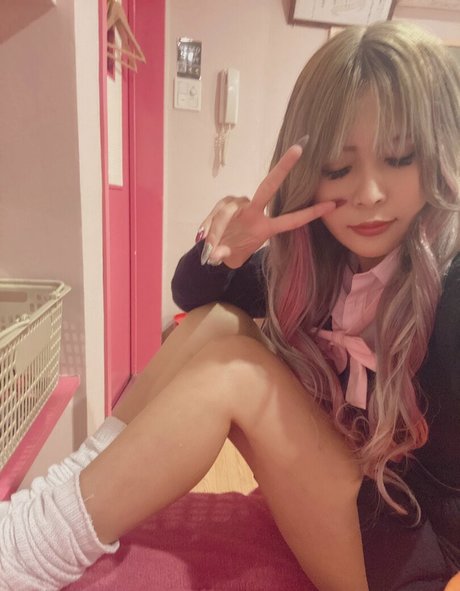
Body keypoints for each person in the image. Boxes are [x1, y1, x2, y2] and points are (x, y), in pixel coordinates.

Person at [0, 19, 459, 591]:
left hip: (399, 552)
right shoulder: (322, 266)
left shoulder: (448, 286)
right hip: (351, 496)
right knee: (220, 324)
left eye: (400, 158)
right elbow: (193, 296)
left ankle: (29, 555)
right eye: (339, 169)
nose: (368, 194)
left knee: (237, 373)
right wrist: (229, 252)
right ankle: (57, 506)